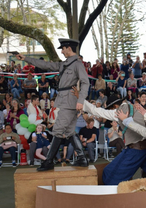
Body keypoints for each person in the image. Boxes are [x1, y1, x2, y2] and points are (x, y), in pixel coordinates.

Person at [16, 38, 90, 171]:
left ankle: (49, 161)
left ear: (69, 48)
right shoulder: (65, 63)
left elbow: (86, 82)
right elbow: (46, 65)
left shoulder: (78, 64)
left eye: (63, 48)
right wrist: (26, 58)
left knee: (58, 130)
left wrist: (81, 100)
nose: (61, 51)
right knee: (69, 131)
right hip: (65, 99)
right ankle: (82, 158)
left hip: (70, 100)